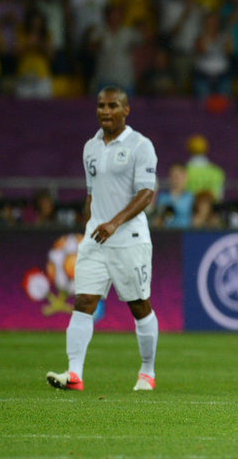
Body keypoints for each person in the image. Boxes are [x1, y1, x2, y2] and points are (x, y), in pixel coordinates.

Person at [46, 86, 159, 392]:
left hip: (130, 239)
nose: (106, 111)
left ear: (126, 110)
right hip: (96, 239)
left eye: (112, 106)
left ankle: (147, 371)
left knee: (139, 305)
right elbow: (91, 194)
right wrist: (91, 228)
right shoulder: (90, 147)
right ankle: (74, 374)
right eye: (100, 106)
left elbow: (146, 193)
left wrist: (114, 223)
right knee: (83, 301)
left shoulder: (140, 145)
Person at [184, 134, 225, 201]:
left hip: (190, 208)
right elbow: (219, 196)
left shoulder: (184, 170)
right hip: (211, 208)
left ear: (188, 148)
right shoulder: (216, 171)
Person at [154, 163, 194, 228]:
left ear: (185, 177)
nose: (176, 179)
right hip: (166, 234)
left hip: (186, 234)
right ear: (169, 178)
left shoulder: (191, 198)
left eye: (178, 176)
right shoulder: (162, 198)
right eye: (173, 176)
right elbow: (157, 220)